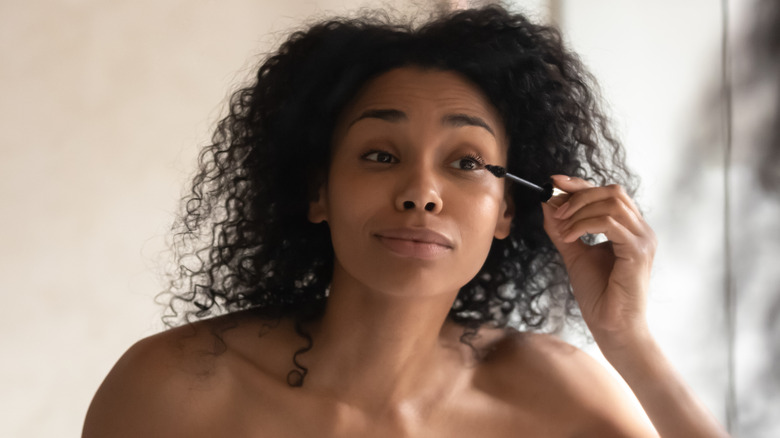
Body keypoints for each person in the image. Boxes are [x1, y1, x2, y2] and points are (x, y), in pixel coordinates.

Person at [83, 5, 729, 437]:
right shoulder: (172, 395)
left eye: (466, 162)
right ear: (318, 192)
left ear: (507, 211)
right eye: (381, 155)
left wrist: (629, 341)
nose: (422, 192)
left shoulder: (558, 399)